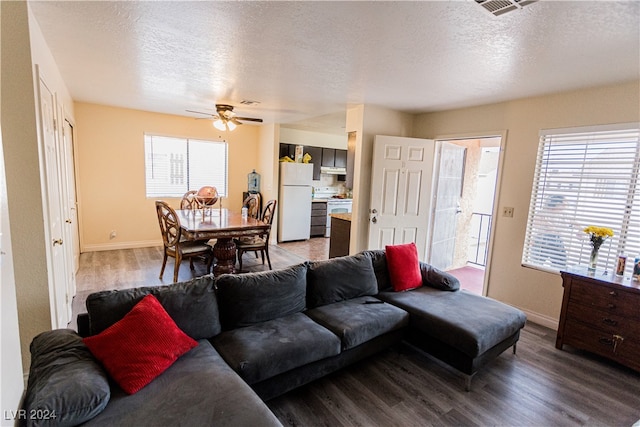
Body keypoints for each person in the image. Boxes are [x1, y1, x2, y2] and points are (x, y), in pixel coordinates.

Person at [531, 195, 569, 268]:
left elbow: (570, 224)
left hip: (556, 240)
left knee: (560, 265)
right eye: (563, 204)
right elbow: (534, 224)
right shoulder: (543, 213)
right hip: (542, 240)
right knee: (536, 264)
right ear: (557, 204)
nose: (565, 207)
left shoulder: (563, 215)